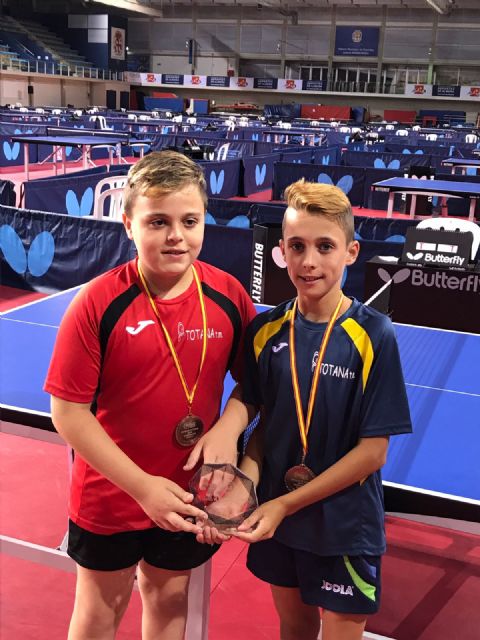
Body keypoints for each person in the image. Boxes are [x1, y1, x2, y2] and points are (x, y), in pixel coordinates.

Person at [44, 150, 256, 640]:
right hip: (111, 495)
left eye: (190, 221)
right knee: (99, 612)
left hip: (189, 493)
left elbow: (253, 385)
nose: (176, 235)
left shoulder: (228, 296)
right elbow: (68, 413)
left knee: (168, 599)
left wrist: (229, 427)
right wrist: (141, 488)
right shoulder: (97, 303)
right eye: (158, 221)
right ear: (128, 224)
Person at [190, 179, 412, 640]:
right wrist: (240, 488)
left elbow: (373, 453)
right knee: (293, 628)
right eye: (297, 246)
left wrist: (284, 504)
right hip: (279, 520)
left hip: (343, 526)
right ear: (282, 252)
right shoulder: (266, 330)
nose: (309, 261)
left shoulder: (374, 335)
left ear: (351, 252)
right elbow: (263, 423)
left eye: (324, 246)